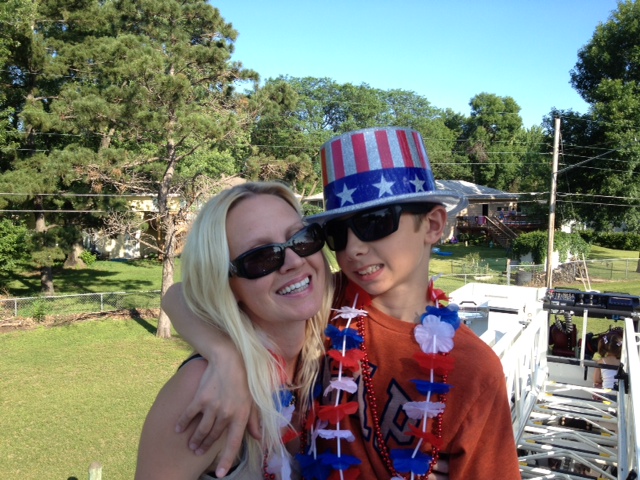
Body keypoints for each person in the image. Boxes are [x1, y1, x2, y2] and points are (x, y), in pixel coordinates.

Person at [167, 127, 521, 479]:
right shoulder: (325, 301)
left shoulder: (474, 371)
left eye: (374, 223)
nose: (353, 249)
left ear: (432, 224)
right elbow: (180, 295)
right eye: (336, 232)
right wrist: (225, 356)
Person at [135, 182, 333, 479]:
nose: (294, 261)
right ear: (226, 285)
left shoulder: (338, 334)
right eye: (261, 257)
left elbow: (175, 295)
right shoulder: (204, 389)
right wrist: (224, 355)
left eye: (302, 238)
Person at [593, 332, 623, 401]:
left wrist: (604, 379)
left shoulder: (601, 361)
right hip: (620, 392)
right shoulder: (622, 362)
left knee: (606, 404)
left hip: (607, 392)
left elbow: (596, 380)